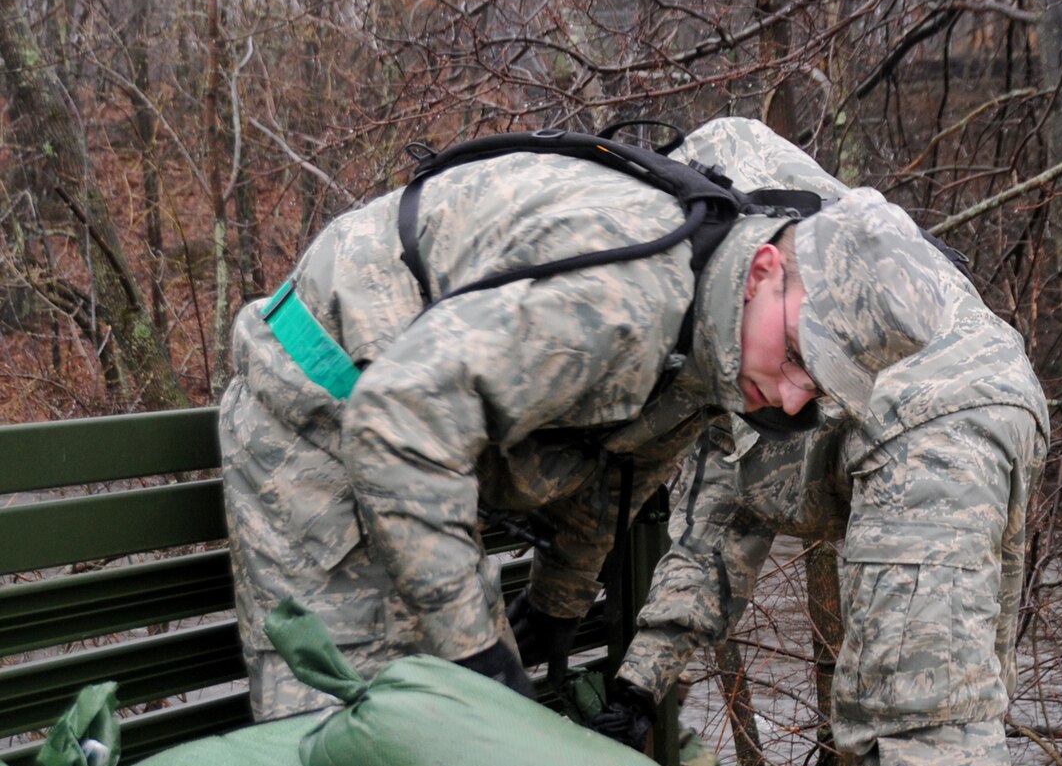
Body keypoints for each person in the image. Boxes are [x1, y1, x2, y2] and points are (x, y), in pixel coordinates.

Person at [592, 120, 1048, 766]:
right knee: (960, 685)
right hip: (989, 395)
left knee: (923, 705)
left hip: (932, 418)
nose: (790, 393)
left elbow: (725, 501)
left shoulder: (727, 257)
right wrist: (641, 681)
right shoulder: (741, 294)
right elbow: (728, 513)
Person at [220, 129, 826, 719]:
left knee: (485, 746)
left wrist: (558, 598)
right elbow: (397, 420)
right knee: (341, 735)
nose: (794, 400)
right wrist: (479, 654)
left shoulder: (712, 340)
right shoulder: (624, 293)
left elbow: (618, 465)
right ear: (761, 270)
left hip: (422, 462)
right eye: (796, 356)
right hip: (317, 419)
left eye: (817, 385)